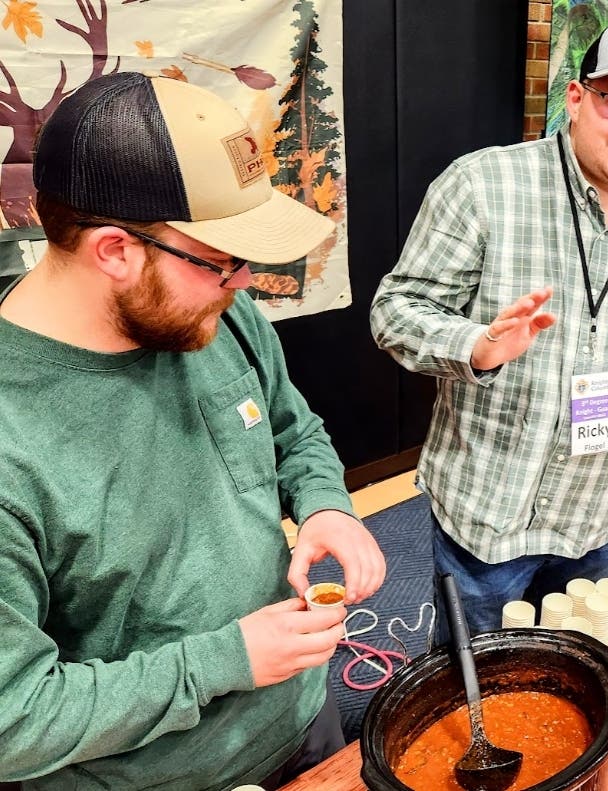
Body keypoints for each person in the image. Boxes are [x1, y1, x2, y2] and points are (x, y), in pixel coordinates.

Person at [0, 72, 386, 790]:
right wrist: (221, 662)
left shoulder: (210, 312)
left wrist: (325, 500)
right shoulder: (13, 447)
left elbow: (291, 428)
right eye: (221, 261)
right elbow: (12, 720)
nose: (244, 282)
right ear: (115, 250)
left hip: (300, 717)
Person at [370, 20, 608, 634]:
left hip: (598, 511)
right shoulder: (483, 185)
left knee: (567, 675)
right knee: (472, 681)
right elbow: (395, 311)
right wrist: (476, 346)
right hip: (490, 510)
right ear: (577, 97)